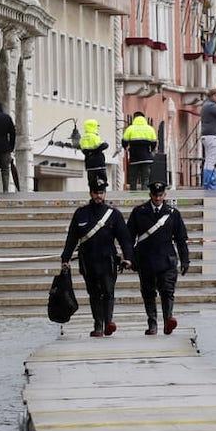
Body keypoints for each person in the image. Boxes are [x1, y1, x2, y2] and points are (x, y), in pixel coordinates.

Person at [59, 177, 133, 337]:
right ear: (91, 193)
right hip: (88, 261)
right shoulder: (81, 213)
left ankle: (108, 323)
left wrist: (128, 257)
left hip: (108, 261)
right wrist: (65, 258)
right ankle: (98, 325)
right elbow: (72, 238)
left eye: (101, 192)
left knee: (108, 292)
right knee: (93, 293)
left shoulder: (114, 215)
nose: (99, 196)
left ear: (105, 194)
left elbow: (125, 239)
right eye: (96, 192)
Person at [127, 181, 190, 335]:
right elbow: (129, 237)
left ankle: (168, 320)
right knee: (148, 293)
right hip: (146, 259)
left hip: (166, 260)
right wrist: (130, 258)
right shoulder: (139, 212)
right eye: (155, 195)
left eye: (160, 195)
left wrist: (185, 259)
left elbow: (181, 239)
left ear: (164, 195)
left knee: (167, 291)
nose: (157, 198)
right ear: (150, 195)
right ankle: (152, 323)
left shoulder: (173, 214)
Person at [122, 113, 158, 190]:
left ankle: (132, 196)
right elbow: (154, 143)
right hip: (146, 158)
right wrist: (151, 150)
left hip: (134, 158)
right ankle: (144, 196)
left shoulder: (130, 129)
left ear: (134, 119)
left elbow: (124, 141)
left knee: (133, 179)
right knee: (145, 179)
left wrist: (126, 148)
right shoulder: (150, 129)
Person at [78, 118, 109, 190]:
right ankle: (101, 190)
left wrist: (89, 152)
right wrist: (103, 144)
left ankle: (93, 193)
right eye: (96, 126)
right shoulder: (95, 137)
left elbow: (83, 149)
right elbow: (103, 145)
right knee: (103, 179)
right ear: (93, 126)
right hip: (99, 163)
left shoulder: (82, 138)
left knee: (91, 182)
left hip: (89, 164)